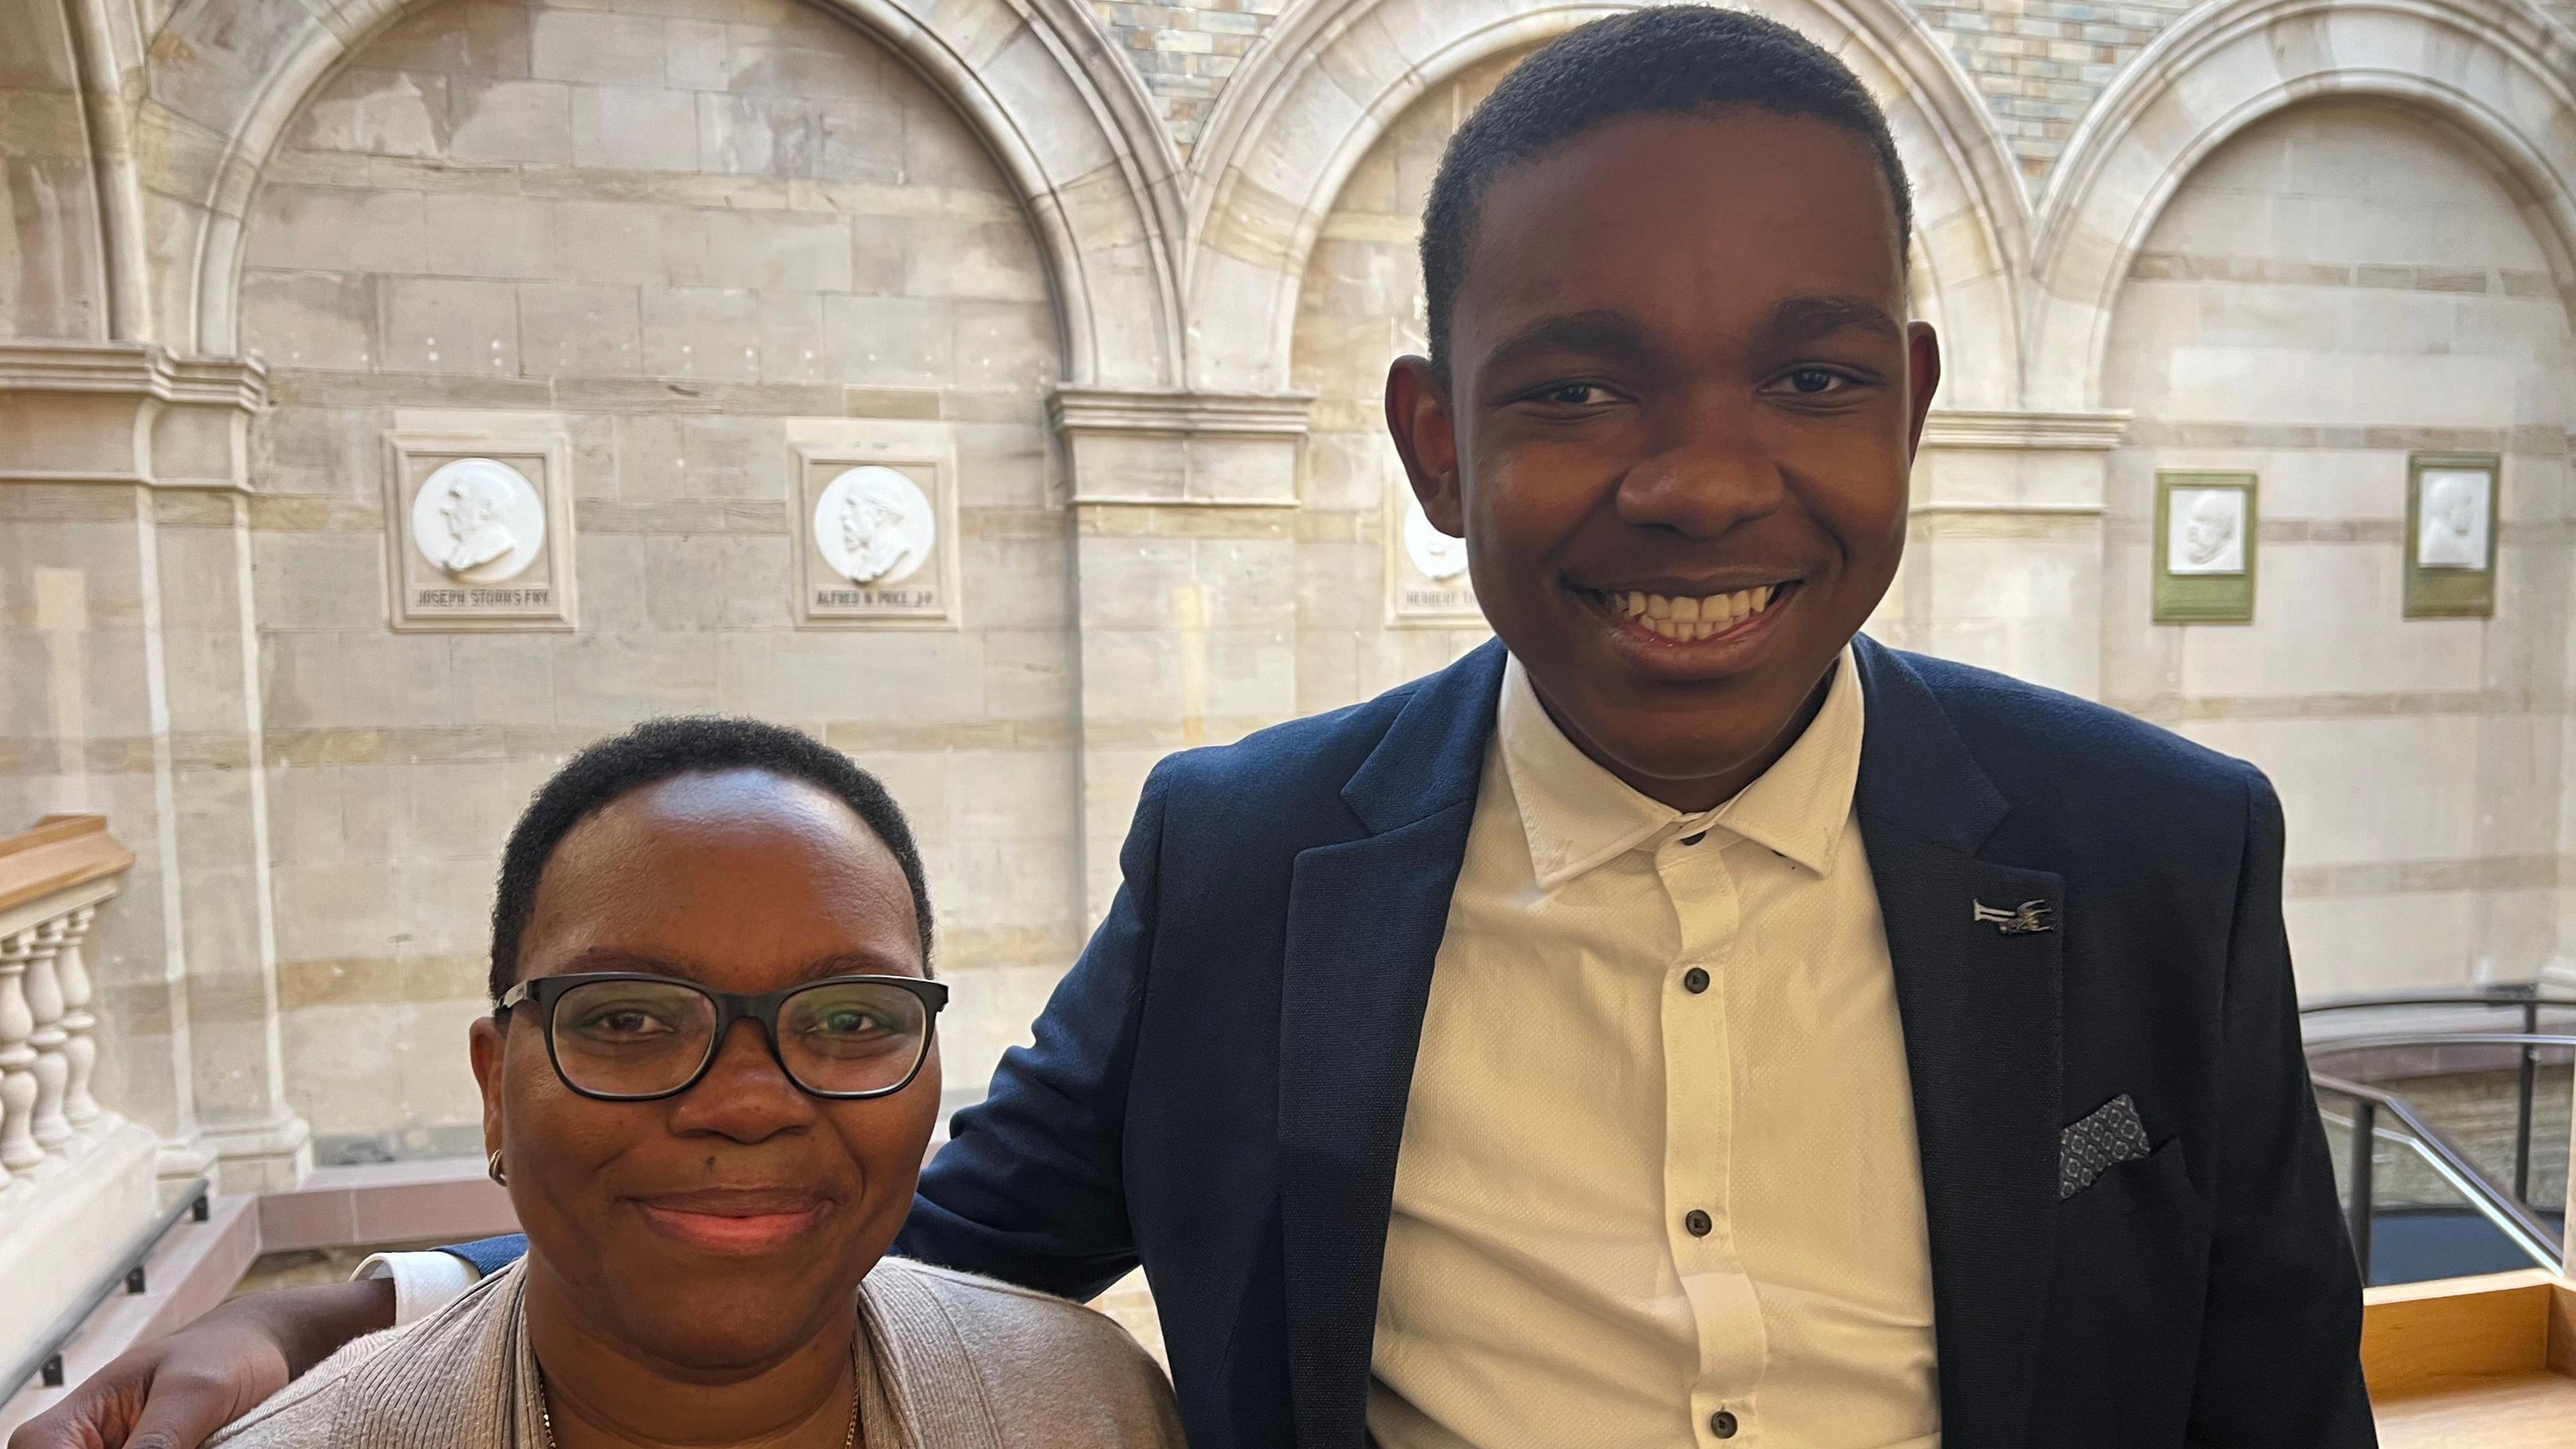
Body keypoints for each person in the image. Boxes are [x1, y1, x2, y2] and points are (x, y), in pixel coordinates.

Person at [15, 9, 2372, 1448]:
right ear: (1439, 445)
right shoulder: (1253, 860)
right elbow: (890, 1221)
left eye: (1814, 376)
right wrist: (382, 1299)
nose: (1705, 478)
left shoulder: (2157, 849)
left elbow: (2271, 1407)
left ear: (1916, 411)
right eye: (1577, 390)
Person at [189, 717, 1183, 1448]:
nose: (747, 1103)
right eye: (628, 1019)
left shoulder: (1093, 1414)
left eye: (849, 1018)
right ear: (495, 1093)